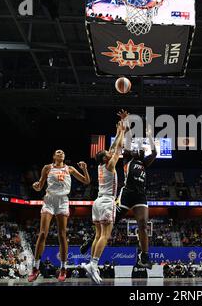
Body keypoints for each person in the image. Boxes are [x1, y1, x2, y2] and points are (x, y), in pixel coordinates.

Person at [28, 150, 90, 282]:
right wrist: (36, 186)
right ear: (54, 156)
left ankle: (63, 268)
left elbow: (86, 181)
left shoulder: (70, 169)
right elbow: (40, 185)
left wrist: (84, 169)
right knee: (43, 233)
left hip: (63, 201)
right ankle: (35, 267)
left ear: (64, 157)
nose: (60, 152)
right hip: (49, 200)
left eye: (62, 152)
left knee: (62, 235)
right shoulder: (47, 167)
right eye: (58, 152)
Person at [83, 120, 125, 284]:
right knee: (105, 236)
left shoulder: (101, 166)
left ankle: (91, 264)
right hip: (107, 202)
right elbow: (119, 147)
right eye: (108, 152)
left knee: (98, 235)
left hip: (98, 202)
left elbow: (114, 147)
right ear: (106, 157)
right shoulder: (110, 164)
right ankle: (93, 264)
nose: (110, 152)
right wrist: (122, 131)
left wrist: (118, 130)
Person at [115, 110, 156, 269]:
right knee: (112, 221)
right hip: (126, 194)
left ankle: (144, 257)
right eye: (137, 148)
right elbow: (129, 138)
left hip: (140, 196)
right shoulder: (127, 159)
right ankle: (91, 240)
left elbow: (154, 152)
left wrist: (150, 136)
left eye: (141, 148)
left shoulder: (144, 163)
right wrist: (126, 122)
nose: (139, 149)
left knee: (143, 225)